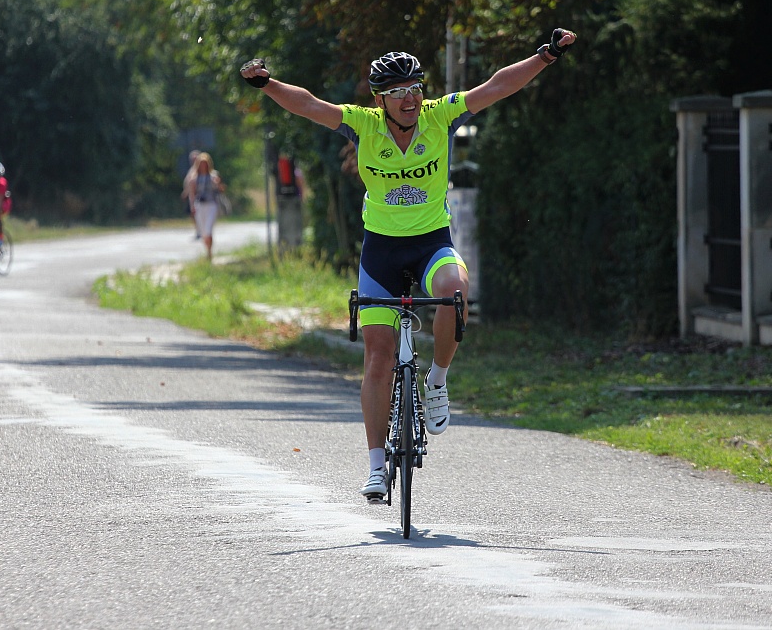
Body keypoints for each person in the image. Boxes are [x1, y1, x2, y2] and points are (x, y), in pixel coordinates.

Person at [241, 28, 577, 501]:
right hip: (381, 251)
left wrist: (545, 56)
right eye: (398, 92)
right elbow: (310, 105)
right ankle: (376, 467)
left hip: (431, 243)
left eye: (416, 88)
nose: (410, 99)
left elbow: (496, 86)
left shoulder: (441, 116)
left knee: (454, 291)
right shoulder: (363, 124)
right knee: (378, 357)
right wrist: (268, 84)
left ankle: (436, 381)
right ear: (380, 100)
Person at [183, 151, 225, 261]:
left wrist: (218, 184)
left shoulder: (213, 176)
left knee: (208, 230)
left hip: (211, 205)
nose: (203, 166)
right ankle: (208, 250)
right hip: (200, 206)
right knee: (203, 232)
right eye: (201, 164)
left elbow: (221, 190)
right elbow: (192, 194)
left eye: (205, 164)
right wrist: (192, 206)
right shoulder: (194, 177)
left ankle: (209, 252)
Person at [181, 149, 201, 239]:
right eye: (192, 159)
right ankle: (198, 230)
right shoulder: (191, 170)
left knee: (199, 214)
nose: (193, 160)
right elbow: (188, 183)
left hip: (199, 196)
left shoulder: (201, 170)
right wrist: (185, 192)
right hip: (191, 196)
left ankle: (202, 230)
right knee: (193, 214)